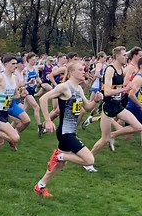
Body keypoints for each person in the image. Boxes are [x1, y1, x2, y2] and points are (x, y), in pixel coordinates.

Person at [33, 61, 102, 197]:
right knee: (89, 160)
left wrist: (96, 101)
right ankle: (59, 156)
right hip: (65, 133)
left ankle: (40, 186)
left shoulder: (79, 88)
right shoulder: (64, 87)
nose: (84, 71)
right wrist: (47, 120)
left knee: (60, 165)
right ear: (71, 72)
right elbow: (43, 99)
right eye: (81, 69)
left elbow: (87, 107)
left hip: (70, 132)